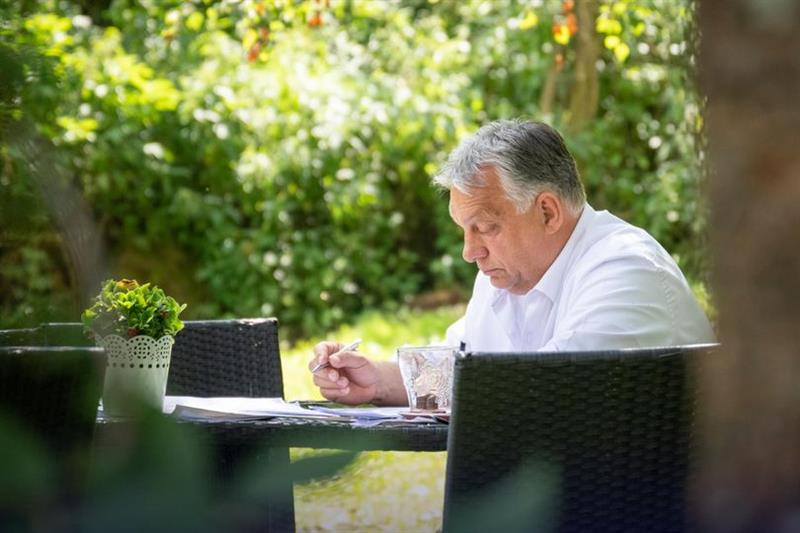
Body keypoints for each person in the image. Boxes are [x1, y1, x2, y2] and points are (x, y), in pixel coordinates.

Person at [309, 119, 715, 406]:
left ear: (547, 212)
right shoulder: (509, 274)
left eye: (485, 227)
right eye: (464, 230)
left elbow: (551, 390)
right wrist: (376, 380)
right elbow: (459, 372)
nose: (470, 251)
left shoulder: (625, 267)